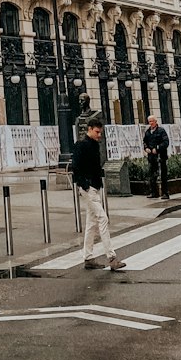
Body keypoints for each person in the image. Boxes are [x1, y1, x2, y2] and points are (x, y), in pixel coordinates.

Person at [69, 116, 125, 270]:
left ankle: (88, 257)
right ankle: (111, 257)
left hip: (94, 187)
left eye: (100, 132)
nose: (99, 135)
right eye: (97, 132)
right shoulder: (82, 145)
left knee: (91, 223)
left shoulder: (93, 145)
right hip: (89, 188)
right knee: (103, 218)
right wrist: (84, 184)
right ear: (89, 130)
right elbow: (76, 167)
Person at [142, 115, 170, 199]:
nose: (151, 123)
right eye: (149, 121)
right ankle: (153, 192)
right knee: (152, 175)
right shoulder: (147, 132)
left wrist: (157, 148)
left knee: (163, 175)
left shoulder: (161, 131)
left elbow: (166, 142)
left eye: (152, 121)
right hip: (151, 157)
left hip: (161, 156)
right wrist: (146, 148)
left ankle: (165, 193)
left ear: (155, 121)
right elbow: (145, 142)